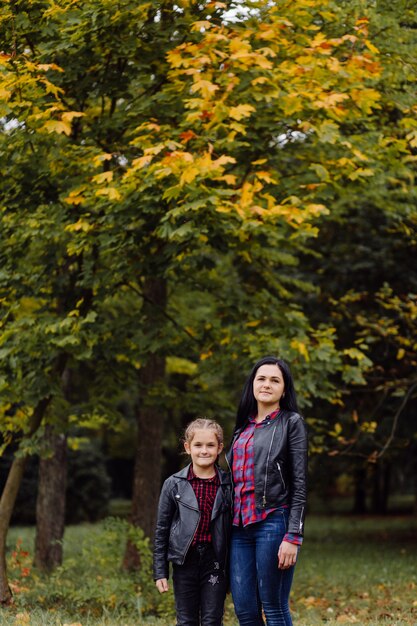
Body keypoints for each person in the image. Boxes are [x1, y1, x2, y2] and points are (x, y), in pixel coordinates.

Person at [226, 356, 308, 626]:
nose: (267, 384)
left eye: (275, 380)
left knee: (273, 607)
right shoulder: (242, 429)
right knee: (246, 612)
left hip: (273, 521)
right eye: (261, 378)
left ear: (284, 390)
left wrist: (293, 536)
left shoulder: (291, 423)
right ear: (252, 384)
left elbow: (299, 483)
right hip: (239, 528)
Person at [153, 418, 232, 626]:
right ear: (188, 447)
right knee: (186, 620)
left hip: (215, 561)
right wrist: (160, 571)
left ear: (220, 448)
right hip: (184, 561)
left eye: (210, 445)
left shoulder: (228, 485)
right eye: (198, 445)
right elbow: (162, 530)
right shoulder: (173, 485)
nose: (204, 451)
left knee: (212, 620)